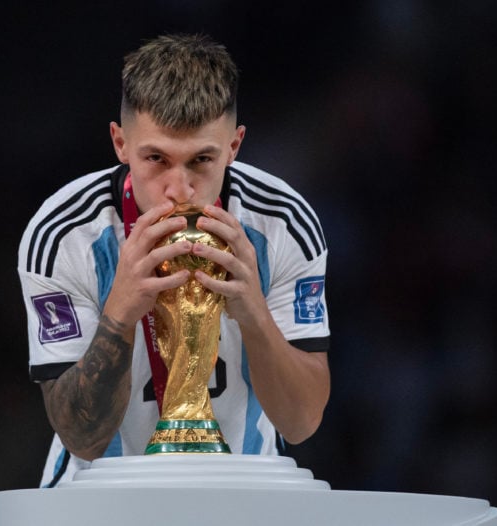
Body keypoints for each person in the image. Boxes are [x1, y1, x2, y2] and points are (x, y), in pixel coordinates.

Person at [17, 33, 331, 487]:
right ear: (120, 143)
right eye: (156, 158)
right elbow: (81, 438)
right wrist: (120, 314)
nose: (179, 189)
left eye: (202, 159)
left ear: (234, 147)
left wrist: (255, 315)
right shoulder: (64, 235)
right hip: (96, 503)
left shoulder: (284, 225)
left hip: (244, 495)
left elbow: (301, 423)